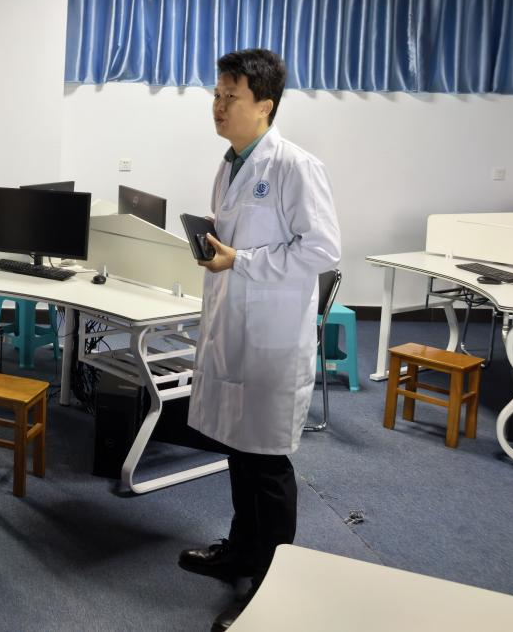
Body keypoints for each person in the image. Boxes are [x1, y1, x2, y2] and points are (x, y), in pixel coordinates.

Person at [179, 48, 341, 631]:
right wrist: (217, 247)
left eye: (231, 97)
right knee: (239, 452)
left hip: (273, 337)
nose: (218, 106)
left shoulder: (296, 166)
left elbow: (322, 249)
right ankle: (242, 552)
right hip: (236, 327)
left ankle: (274, 583)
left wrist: (241, 260)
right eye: (216, 96)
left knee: (267, 465)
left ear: (265, 105)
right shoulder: (230, 162)